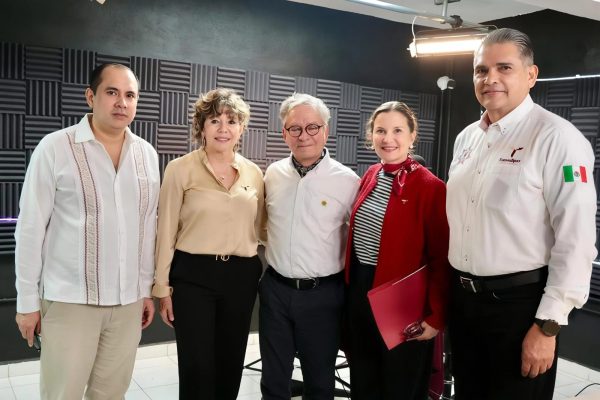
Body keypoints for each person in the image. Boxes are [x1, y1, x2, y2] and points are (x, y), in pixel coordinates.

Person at [446, 28, 597, 400]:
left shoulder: (557, 138)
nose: (490, 78)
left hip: (520, 308)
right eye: (481, 70)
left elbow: (576, 240)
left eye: (504, 68)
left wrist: (548, 326)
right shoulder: (466, 138)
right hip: (465, 303)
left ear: (531, 75)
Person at [14, 63, 159, 400]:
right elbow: (31, 228)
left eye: (130, 95)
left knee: (111, 394)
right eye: (112, 92)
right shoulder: (55, 147)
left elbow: (147, 228)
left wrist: (145, 289)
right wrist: (26, 302)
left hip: (127, 304)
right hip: (70, 301)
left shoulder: (147, 155)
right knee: (61, 394)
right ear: (91, 97)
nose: (122, 102)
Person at [153, 88, 266, 400]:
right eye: (215, 120)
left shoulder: (254, 173)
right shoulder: (180, 169)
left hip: (241, 276)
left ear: (241, 128)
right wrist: (161, 287)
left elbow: (262, 228)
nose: (223, 128)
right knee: (197, 365)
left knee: (231, 361)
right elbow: (166, 230)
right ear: (201, 126)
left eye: (232, 121)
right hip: (193, 276)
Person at [344, 101, 450, 399]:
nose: (387, 138)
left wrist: (436, 316)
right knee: (363, 381)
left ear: (412, 135)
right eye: (380, 131)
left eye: (397, 130)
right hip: (361, 292)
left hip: (402, 301)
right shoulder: (371, 174)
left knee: (400, 386)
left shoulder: (431, 186)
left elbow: (441, 258)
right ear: (371, 136)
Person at [259, 93, 360, 399]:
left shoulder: (347, 181)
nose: (304, 136)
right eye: (295, 128)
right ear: (284, 134)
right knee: (274, 380)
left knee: (319, 382)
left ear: (325, 131)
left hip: (322, 296)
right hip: (275, 291)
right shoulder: (272, 174)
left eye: (312, 127)